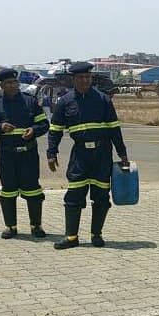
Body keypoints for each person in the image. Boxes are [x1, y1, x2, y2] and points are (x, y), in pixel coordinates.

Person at [47, 62, 130, 249]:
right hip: (80, 156)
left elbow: (115, 129)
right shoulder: (65, 102)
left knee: (101, 196)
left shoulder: (103, 100)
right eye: (81, 77)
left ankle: (96, 235)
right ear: (73, 80)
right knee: (74, 195)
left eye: (88, 77)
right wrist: (51, 153)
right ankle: (71, 237)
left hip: (102, 155)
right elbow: (55, 130)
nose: (85, 80)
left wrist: (122, 152)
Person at [0, 68, 50, 238]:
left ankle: (36, 226)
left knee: (33, 190)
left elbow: (44, 125)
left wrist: (33, 130)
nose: (13, 86)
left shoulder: (30, 102)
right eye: (9, 83)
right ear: (2, 85)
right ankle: (11, 227)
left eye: (15, 82)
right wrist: (0, 127)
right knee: (8, 191)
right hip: (7, 155)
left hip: (28, 154)